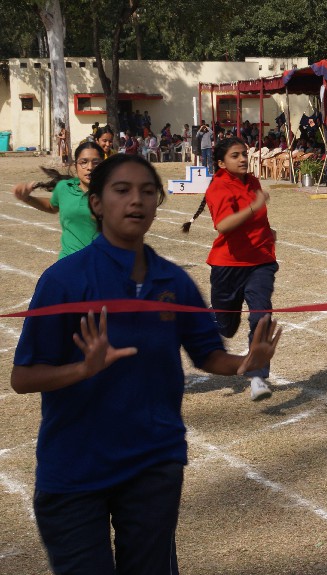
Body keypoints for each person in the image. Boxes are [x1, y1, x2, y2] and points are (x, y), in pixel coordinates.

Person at [11, 154, 282, 575]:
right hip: (75, 470)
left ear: (157, 204)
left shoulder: (173, 281)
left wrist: (245, 362)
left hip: (153, 462)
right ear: (96, 203)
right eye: (122, 190)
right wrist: (81, 370)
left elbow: (208, 354)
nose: (136, 200)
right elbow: (22, 377)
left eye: (147, 191)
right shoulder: (63, 281)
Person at [181, 137, 279, 400]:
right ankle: (196, 321)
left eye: (245, 154)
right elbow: (223, 226)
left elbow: (257, 220)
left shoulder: (253, 182)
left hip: (261, 262)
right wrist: (253, 207)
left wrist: (267, 232)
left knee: (261, 316)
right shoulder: (219, 187)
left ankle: (257, 376)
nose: (243, 159)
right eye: (235, 155)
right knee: (226, 328)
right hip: (228, 266)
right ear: (222, 163)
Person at [12, 142, 104, 259]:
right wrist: (27, 198)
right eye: (83, 162)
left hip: (100, 262)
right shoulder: (64, 187)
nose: (90, 167)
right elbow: (52, 206)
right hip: (68, 262)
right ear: (76, 165)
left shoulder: (112, 193)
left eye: (96, 163)